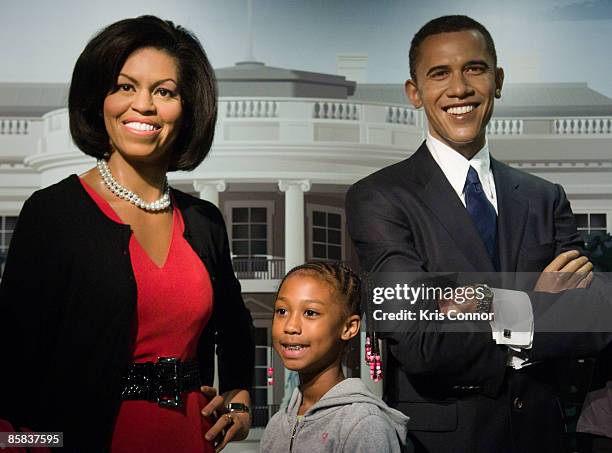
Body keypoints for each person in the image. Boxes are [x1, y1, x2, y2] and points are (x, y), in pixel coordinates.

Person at [346, 14, 612, 453]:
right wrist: (541, 302)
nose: (459, 88)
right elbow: (419, 340)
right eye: (439, 74)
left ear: (498, 80)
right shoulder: (379, 198)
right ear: (414, 93)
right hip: (443, 444)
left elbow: (597, 312)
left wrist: (479, 302)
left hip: (542, 439)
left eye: (474, 68)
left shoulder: (545, 198)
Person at [0, 16, 254, 453]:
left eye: (164, 91)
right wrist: (31, 445)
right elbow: (10, 364)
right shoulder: (53, 214)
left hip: (188, 440)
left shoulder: (205, 221)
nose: (144, 105)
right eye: (124, 86)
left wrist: (240, 400)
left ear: (187, 108)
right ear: (99, 99)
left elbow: (234, 327)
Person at [260, 261, 409, 453]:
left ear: (349, 328)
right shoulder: (276, 425)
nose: (290, 326)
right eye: (282, 311)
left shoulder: (364, 425)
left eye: (310, 313)